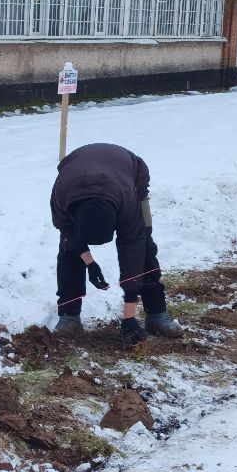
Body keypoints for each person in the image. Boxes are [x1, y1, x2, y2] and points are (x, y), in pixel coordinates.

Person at [48, 142, 182, 340]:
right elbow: (70, 234)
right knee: (69, 250)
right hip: (76, 173)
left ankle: (156, 313)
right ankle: (69, 317)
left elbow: (132, 251)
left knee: (144, 248)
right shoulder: (61, 196)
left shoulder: (128, 203)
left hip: (130, 175)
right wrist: (90, 263)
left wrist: (129, 317)